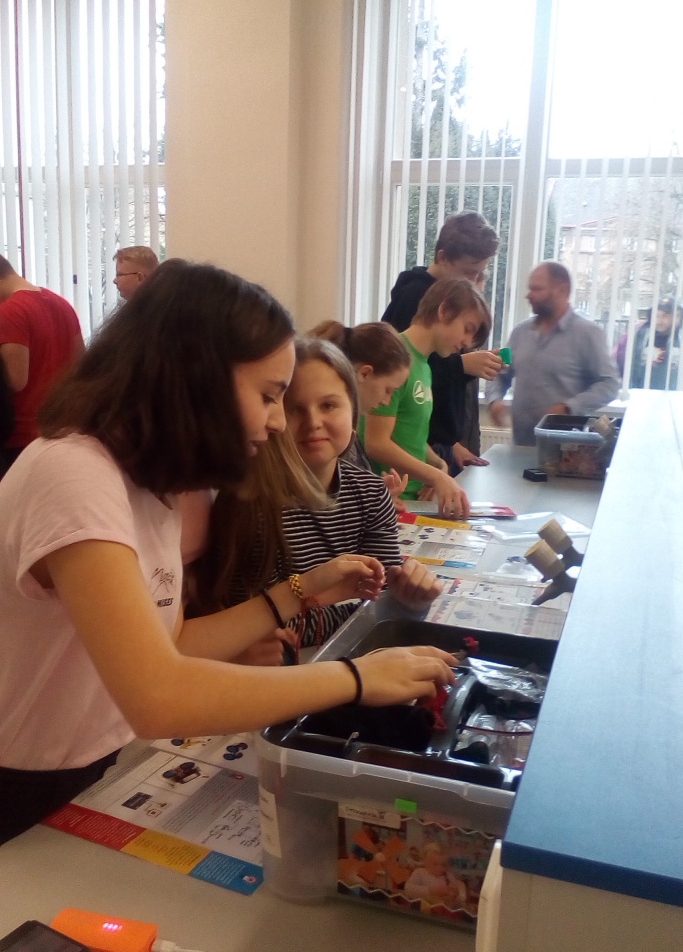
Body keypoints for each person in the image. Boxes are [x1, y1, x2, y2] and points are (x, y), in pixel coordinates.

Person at [0, 259, 455, 844]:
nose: (277, 422)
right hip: (21, 778)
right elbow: (158, 695)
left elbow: (172, 643)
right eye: (270, 397)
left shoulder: (152, 483)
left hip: (89, 762)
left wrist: (299, 590)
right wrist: (355, 677)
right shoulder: (73, 473)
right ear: (197, 380)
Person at [189, 337, 442, 652]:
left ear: (354, 411)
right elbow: (258, 627)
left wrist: (411, 599)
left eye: (328, 405)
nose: (313, 423)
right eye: (295, 409)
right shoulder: (251, 504)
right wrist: (372, 610)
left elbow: (384, 601)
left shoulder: (372, 492)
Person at [382, 211, 502, 473]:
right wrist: (463, 365)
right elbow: (401, 378)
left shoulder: (452, 301)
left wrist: (450, 444)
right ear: (442, 258)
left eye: (481, 275)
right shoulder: (414, 297)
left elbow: (428, 394)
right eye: (469, 273)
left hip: (435, 446)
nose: (475, 284)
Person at [362, 278, 490, 518]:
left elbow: (409, 435)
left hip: (414, 499)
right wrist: (436, 476)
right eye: (467, 329)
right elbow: (375, 443)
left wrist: (437, 464)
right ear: (444, 311)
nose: (467, 343)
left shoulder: (425, 365)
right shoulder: (395, 358)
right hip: (390, 501)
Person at [486, 261, 619, 445]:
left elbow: (610, 384)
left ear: (562, 290)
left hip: (565, 451)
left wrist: (568, 408)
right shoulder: (519, 333)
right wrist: (494, 400)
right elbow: (499, 373)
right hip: (520, 446)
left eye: (537, 289)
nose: (528, 295)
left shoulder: (588, 334)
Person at [0, 254, 84, 469]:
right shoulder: (60, 303)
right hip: (62, 426)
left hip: (23, 436)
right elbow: (80, 364)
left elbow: (16, 380)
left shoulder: (9, 311)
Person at [308, 320, 410, 483]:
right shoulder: (335, 432)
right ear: (364, 373)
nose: (386, 401)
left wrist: (378, 493)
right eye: (387, 390)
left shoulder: (350, 430)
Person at [629, 297, 680, 390]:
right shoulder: (643, 334)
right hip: (643, 391)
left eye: (665, 316)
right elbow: (632, 364)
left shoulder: (680, 337)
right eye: (656, 315)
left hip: (675, 393)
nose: (659, 320)